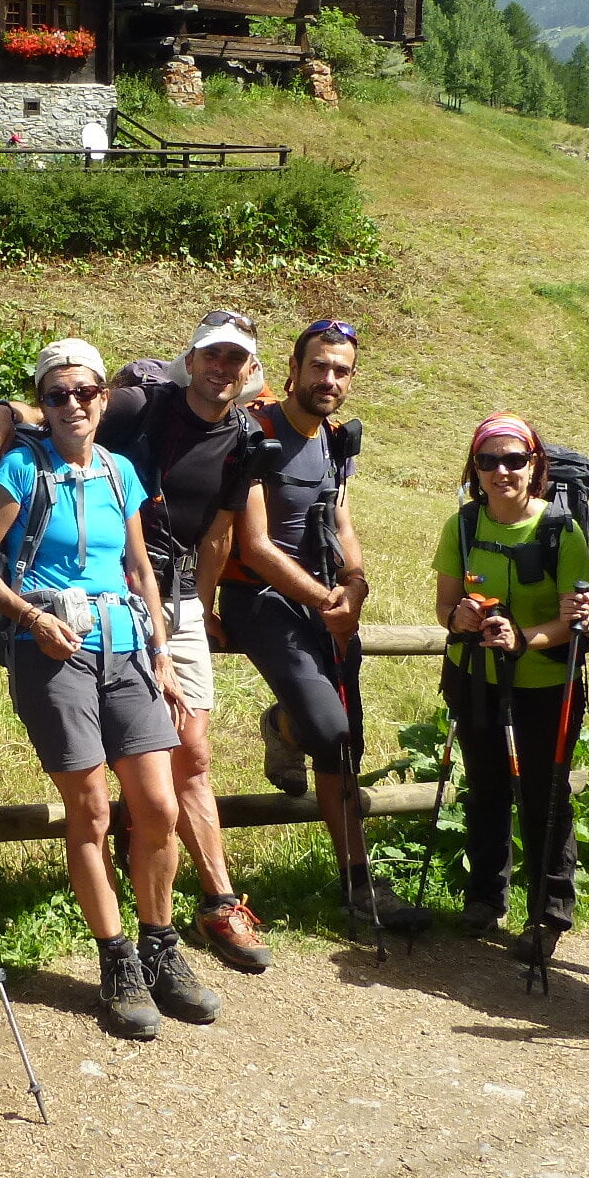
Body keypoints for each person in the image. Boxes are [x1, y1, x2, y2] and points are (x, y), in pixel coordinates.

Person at [0, 309, 273, 971]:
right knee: (90, 809)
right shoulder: (22, 471)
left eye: (84, 393)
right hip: (55, 652)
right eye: (57, 395)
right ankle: (117, 957)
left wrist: (162, 657)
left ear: (105, 399)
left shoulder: (119, 474)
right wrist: (29, 618)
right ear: (43, 404)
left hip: (130, 648)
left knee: (159, 804)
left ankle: (160, 945)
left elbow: (140, 570)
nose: (72, 404)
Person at [223, 321, 429, 937]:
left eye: (341, 370)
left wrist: (356, 584)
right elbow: (252, 546)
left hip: (326, 601)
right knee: (333, 727)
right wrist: (324, 599)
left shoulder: (336, 442)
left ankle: (356, 880)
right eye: (320, 366)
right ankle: (287, 722)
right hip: (258, 600)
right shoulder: (257, 431)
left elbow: (341, 521)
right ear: (295, 366)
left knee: (346, 742)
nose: (329, 379)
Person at [433, 415, 589, 968]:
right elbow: (445, 606)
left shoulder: (560, 531)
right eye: (488, 461)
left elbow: (575, 620)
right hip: (474, 676)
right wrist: (461, 618)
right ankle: (484, 899)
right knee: (484, 787)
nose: (501, 471)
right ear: (474, 469)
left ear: (535, 466)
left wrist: (523, 637)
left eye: (514, 460)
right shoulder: (462, 525)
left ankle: (549, 913)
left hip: (545, 684)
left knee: (544, 797)